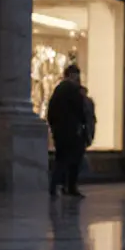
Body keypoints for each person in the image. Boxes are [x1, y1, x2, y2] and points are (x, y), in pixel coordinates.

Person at [47, 64, 87, 198]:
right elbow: (80, 110)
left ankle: (56, 185)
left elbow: (50, 112)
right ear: (72, 75)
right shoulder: (73, 90)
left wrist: (54, 127)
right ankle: (69, 186)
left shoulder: (58, 89)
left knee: (61, 159)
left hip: (60, 131)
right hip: (71, 131)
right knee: (72, 160)